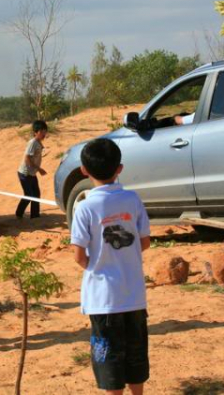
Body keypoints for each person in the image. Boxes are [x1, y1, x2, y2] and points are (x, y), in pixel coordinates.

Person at [71, 138, 151, 394]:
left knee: (109, 362)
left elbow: (78, 255)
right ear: (120, 168)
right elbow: (145, 242)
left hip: (103, 298)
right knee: (135, 357)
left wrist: (97, 265)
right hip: (134, 296)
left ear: (84, 170)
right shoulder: (132, 199)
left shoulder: (84, 207)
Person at [15, 120, 48, 219]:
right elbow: (27, 158)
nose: (44, 134)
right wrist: (39, 169)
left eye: (45, 131)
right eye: (41, 131)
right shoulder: (32, 142)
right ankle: (19, 213)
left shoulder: (38, 142)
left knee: (36, 194)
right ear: (35, 132)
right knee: (29, 194)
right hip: (25, 173)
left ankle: (35, 216)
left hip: (32, 173)